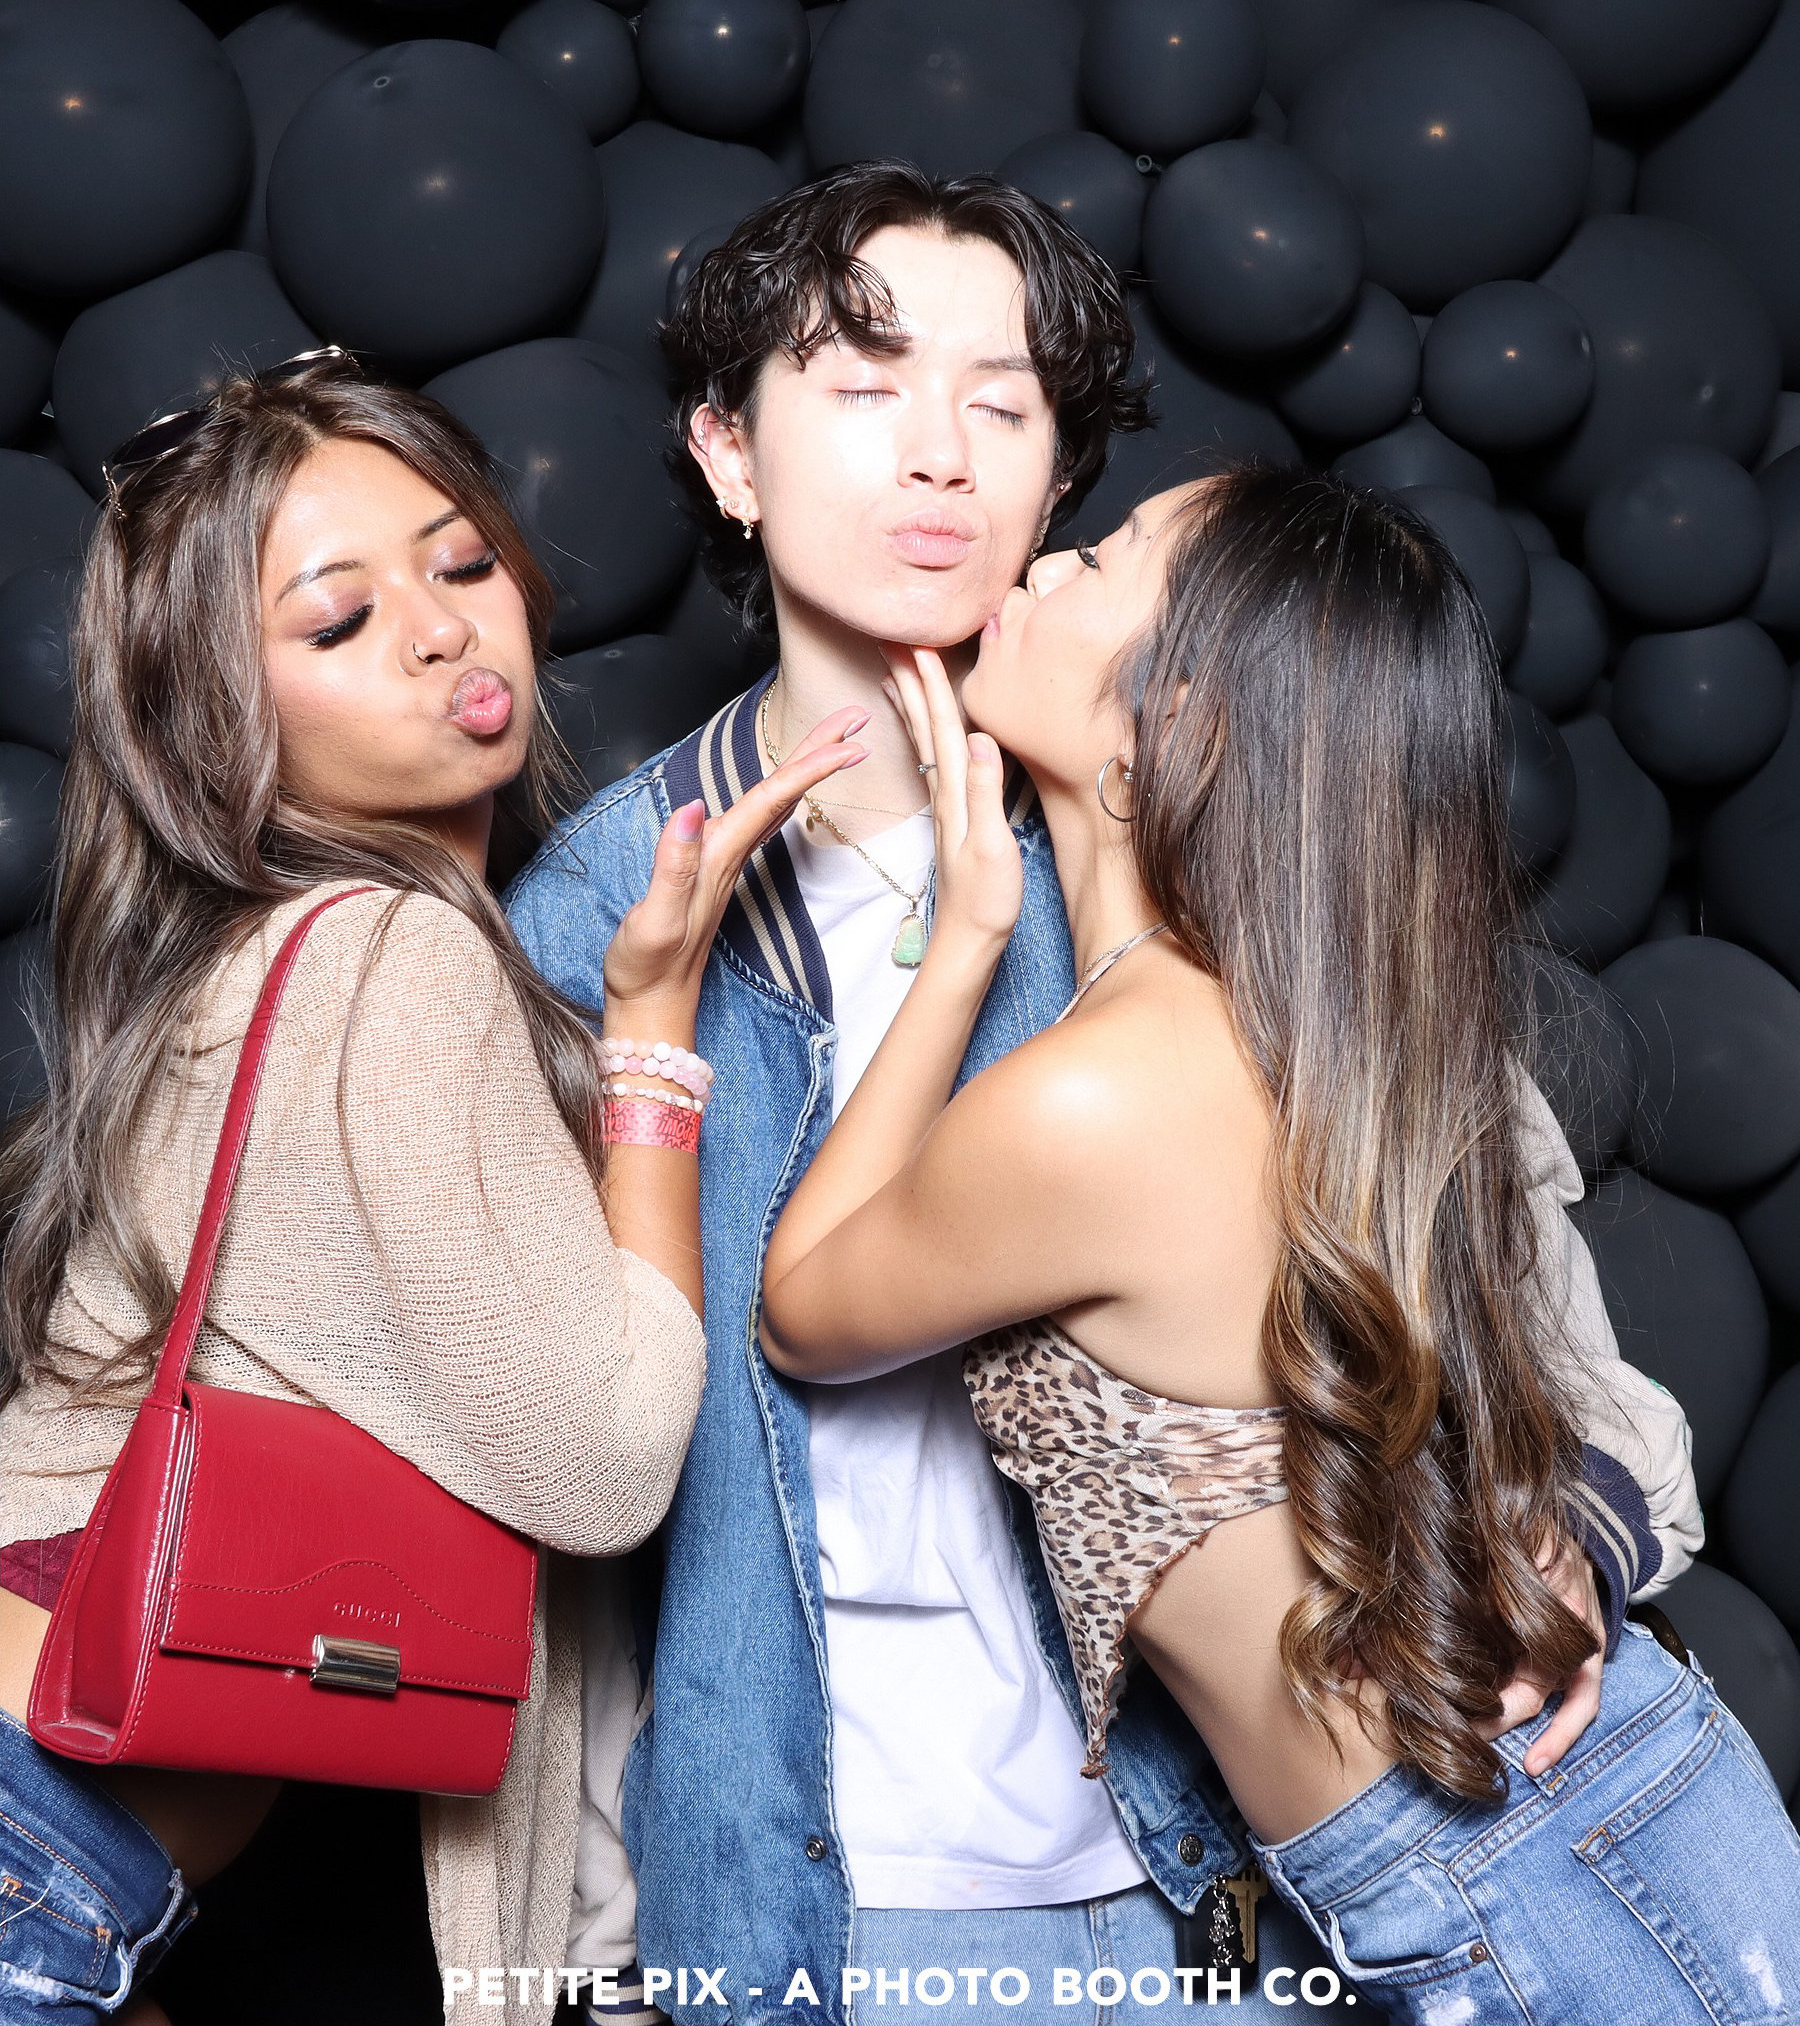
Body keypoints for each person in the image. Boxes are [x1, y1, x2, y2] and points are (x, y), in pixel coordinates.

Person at [506, 164, 1700, 2026]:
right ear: (729, 456)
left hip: (1226, 1882)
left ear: (1059, 478)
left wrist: (1577, 1544)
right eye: (865, 385)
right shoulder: (596, 914)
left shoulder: (1212, 844)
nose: (940, 454)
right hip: (821, 1898)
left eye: (1002, 407)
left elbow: (1522, 1292)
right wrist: (577, 1953)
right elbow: (555, 1488)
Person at [757, 466, 1793, 2019]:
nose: (1044, 563)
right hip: (1534, 1831)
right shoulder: (1333, 1022)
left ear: (1181, 717)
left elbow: (800, 1308)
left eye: (1104, 559)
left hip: (1529, 1861)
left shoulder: (1100, 1096)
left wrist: (962, 944)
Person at [0, 352, 863, 2026]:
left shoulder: (242, 957)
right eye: (338, 620)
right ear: (211, 712)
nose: (440, 631)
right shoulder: (385, 956)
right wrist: (653, 1038)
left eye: (463, 563)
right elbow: (612, 1462)